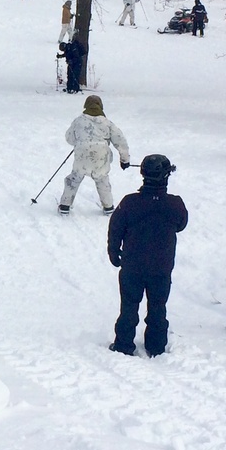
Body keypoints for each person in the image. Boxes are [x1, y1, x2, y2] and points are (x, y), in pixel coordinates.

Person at [106, 155, 188, 356]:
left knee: (129, 306)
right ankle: (156, 345)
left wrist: (113, 250)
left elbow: (116, 228)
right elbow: (181, 225)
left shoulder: (130, 202)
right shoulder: (175, 204)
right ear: (166, 176)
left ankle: (124, 344)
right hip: (161, 267)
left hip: (132, 265)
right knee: (158, 307)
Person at [58, 95, 130, 216]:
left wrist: (80, 141)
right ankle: (108, 206)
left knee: (74, 178)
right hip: (101, 155)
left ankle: (65, 205)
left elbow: (69, 138)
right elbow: (120, 140)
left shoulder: (79, 120)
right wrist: (125, 159)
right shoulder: (107, 123)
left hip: (82, 154)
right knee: (102, 180)